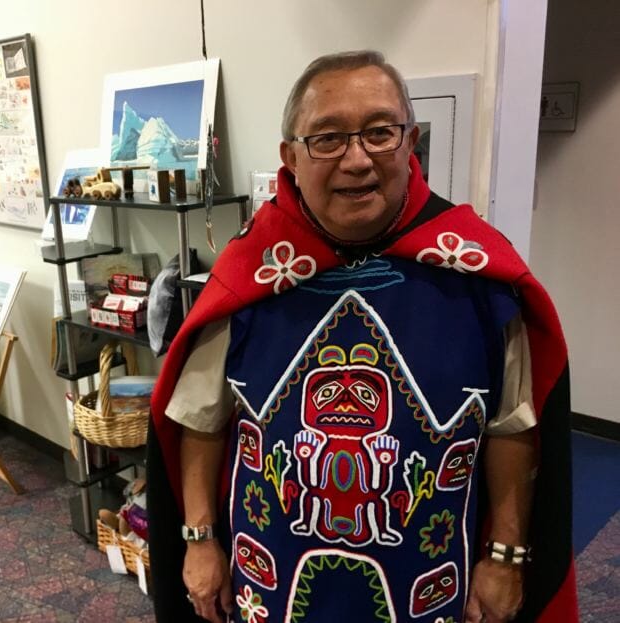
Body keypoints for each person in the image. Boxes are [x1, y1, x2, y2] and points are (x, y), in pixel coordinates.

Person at [147, 51, 577, 623]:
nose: (356, 159)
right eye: (327, 138)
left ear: (410, 142)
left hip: (428, 583)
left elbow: (512, 426)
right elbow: (202, 419)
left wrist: (506, 557)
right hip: (271, 579)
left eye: (379, 132)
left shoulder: (479, 279)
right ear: (291, 158)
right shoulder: (249, 273)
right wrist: (199, 540)